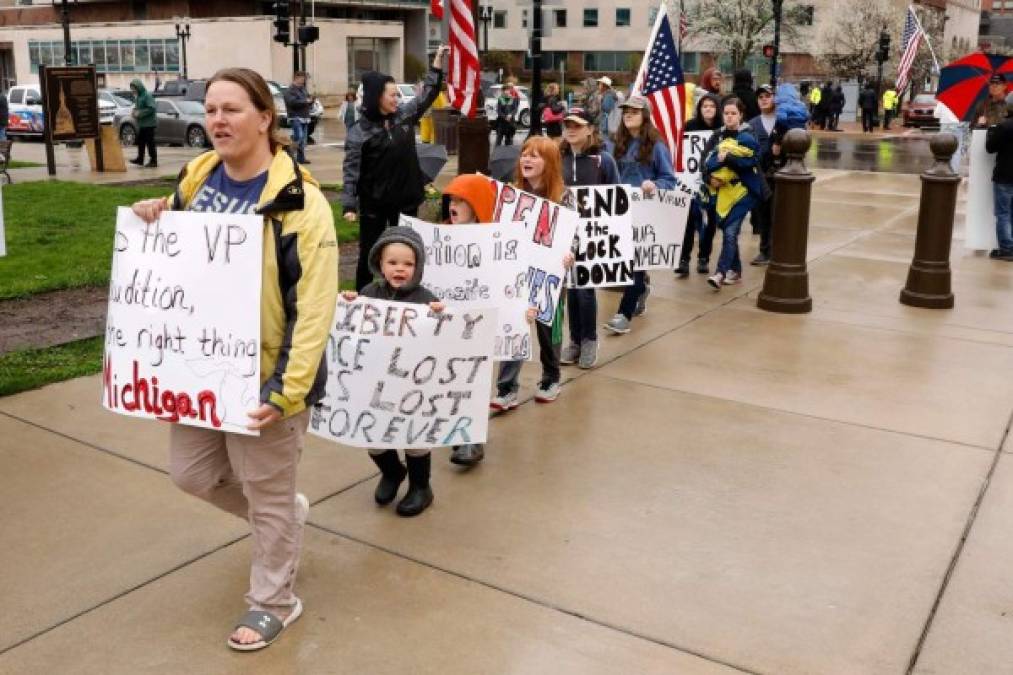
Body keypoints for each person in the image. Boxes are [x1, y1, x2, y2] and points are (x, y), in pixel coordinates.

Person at [129, 67, 338, 651]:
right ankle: (287, 519)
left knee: (265, 492)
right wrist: (156, 212)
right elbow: (177, 252)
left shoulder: (302, 203)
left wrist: (286, 389)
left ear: (265, 118)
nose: (217, 120)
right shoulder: (197, 176)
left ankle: (274, 600)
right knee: (192, 475)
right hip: (199, 366)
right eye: (212, 109)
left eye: (232, 109)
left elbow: (314, 308)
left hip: (266, 374)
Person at [341, 227, 446, 516]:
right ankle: (391, 472)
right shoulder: (368, 294)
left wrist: (441, 316)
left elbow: (443, 339)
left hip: (412, 383)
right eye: (393, 262)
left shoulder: (427, 299)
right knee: (373, 437)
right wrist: (349, 306)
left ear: (418, 267)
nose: (400, 269)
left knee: (414, 439)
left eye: (408, 264)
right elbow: (353, 332)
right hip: (376, 381)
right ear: (379, 264)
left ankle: (421, 487)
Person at [342, 45, 449, 291]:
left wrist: (436, 64)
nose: (397, 99)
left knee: (408, 250)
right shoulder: (359, 132)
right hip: (374, 204)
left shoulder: (403, 116)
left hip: (406, 200)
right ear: (377, 97)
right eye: (392, 95)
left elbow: (427, 95)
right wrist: (349, 204)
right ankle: (363, 298)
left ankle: (409, 295)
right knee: (370, 252)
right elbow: (351, 171)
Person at [491, 136, 571, 410]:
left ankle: (551, 379)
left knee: (548, 332)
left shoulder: (564, 196)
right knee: (515, 327)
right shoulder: (512, 195)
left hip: (551, 279)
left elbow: (576, 234)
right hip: (518, 277)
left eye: (535, 155)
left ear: (549, 163)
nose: (526, 158)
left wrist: (571, 253)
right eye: (524, 153)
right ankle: (506, 388)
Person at [603, 95, 676, 335]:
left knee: (634, 264)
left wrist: (654, 185)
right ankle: (641, 289)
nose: (628, 114)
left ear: (645, 115)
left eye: (634, 110)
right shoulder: (617, 143)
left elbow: (669, 180)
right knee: (625, 262)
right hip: (620, 211)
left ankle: (623, 314)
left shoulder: (657, 146)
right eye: (625, 111)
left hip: (645, 214)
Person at [440, 173, 497, 465]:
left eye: (461, 200)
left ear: (476, 206)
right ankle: (455, 431)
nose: (453, 205)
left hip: (479, 327)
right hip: (447, 326)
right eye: (451, 198)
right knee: (450, 382)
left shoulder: (495, 242)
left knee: (474, 382)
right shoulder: (439, 236)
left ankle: (471, 441)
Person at [559, 107, 618, 369]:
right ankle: (574, 340)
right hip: (564, 235)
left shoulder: (603, 160)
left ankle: (589, 340)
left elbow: (615, 197)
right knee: (571, 290)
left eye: (577, 125)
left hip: (593, 234)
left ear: (590, 129)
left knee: (584, 290)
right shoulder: (557, 158)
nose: (571, 129)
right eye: (567, 125)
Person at [701, 97, 765, 290]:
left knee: (730, 232)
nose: (729, 117)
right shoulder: (717, 136)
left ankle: (720, 272)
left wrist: (727, 158)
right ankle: (735, 270)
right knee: (729, 231)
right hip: (721, 193)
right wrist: (709, 179)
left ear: (741, 115)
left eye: (733, 113)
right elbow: (704, 162)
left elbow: (752, 162)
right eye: (726, 113)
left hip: (743, 193)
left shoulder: (747, 136)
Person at [676, 93, 721, 277]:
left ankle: (703, 258)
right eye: (704, 106)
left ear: (717, 109)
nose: (708, 109)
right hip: (690, 182)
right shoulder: (690, 126)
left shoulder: (721, 129)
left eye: (711, 106)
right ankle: (684, 259)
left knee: (709, 223)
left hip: (712, 183)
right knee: (687, 222)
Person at [747, 84, 787, 266]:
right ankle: (765, 250)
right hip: (761, 176)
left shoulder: (784, 120)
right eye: (760, 97)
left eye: (767, 96)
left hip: (782, 175)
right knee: (763, 215)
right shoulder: (752, 124)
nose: (763, 99)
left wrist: (781, 150)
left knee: (781, 215)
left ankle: (780, 249)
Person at [985, 93, 1013, 261]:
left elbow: (990, 148)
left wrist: (990, 130)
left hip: (1004, 175)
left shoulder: (1005, 127)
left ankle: (1007, 248)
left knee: (1003, 213)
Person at [284, 71, 314, 164]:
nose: (303, 80)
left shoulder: (303, 89)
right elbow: (291, 102)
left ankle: (301, 158)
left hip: (304, 116)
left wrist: (311, 101)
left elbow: (307, 100)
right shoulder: (290, 90)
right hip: (295, 116)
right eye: (302, 78)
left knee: (303, 140)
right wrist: (305, 101)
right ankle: (289, 154)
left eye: (304, 79)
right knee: (299, 137)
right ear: (296, 78)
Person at [128, 78, 157, 168]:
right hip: (142, 124)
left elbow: (152, 108)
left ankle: (153, 161)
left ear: (139, 87)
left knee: (150, 143)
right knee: (140, 142)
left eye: (134, 88)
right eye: (132, 88)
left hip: (149, 124)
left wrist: (140, 113)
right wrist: (134, 111)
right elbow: (138, 108)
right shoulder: (139, 96)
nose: (133, 90)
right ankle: (140, 159)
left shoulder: (147, 95)